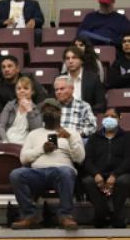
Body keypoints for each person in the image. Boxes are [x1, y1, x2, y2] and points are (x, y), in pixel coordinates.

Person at [10, 98, 85, 230]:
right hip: (37, 173)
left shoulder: (71, 133)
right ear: (41, 114)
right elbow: (23, 158)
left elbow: (80, 158)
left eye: (53, 109)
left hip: (61, 171)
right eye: (45, 109)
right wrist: (42, 149)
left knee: (67, 172)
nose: (49, 112)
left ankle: (65, 216)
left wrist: (70, 138)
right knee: (16, 174)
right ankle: (30, 216)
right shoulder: (33, 134)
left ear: (60, 113)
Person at [82, 108, 130, 228]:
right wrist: (96, 174)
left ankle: (116, 215)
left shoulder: (126, 137)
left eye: (113, 116)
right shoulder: (94, 138)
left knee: (124, 181)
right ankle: (101, 214)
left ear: (119, 119)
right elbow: (87, 160)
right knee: (88, 181)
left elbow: (128, 160)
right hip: (98, 173)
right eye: (106, 116)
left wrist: (114, 175)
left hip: (119, 174)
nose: (109, 119)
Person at [0, 76, 42, 144]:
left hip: (24, 144)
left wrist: (29, 110)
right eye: (19, 88)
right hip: (6, 141)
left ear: (32, 91)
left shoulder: (36, 109)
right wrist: (5, 140)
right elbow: (1, 126)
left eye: (25, 88)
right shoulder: (10, 105)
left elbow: (36, 131)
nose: (22, 91)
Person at [61, 45, 106, 113]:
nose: (70, 61)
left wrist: (86, 113)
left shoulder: (93, 78)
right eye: (67, 58)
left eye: (74, 58)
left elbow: (101, 104)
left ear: (81, 61)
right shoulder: (60, 79)